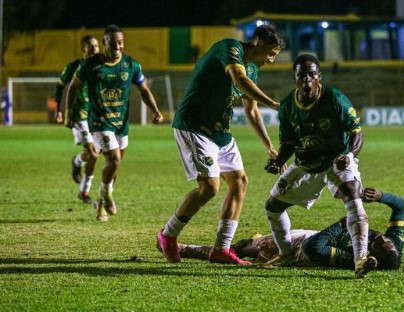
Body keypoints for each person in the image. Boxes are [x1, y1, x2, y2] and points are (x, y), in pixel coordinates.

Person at [156, 24, 286, 265]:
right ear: (258, 43)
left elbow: (252, 111)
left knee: (239, 182)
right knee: (209, 187)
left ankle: (221, 249)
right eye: (270, 53)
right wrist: (275, 104)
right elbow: (238, 78)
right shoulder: (229, 48)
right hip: (194, 126)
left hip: (220, 132)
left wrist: (269, 146)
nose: (271, 60)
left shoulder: (252, 69)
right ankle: (167, 235)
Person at [262, 54, 372, 278]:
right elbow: (288, 143)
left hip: (336, 160)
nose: (307, 78)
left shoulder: (334, 98)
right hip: (306, 164)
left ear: (319, 76)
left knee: (352, 193)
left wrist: (349, 156)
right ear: (294, 77)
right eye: (301, 74)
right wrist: (278, 161)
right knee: (272, 206)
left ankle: (360, 258)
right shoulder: (286, 106)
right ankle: (287, 254)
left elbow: (356, 133)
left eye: (311, 73)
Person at [64, 25, 164, 222]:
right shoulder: (91, 65)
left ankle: (101, 202)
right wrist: (67, 113)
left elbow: (143, 89)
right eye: (112, 43)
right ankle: (106, 197)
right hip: (99, 122)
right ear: (104, 43)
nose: (117, 46)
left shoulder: (131, 64)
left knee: (114, 167)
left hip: (121, 124)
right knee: (114, 160)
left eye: (120, 42)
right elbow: (73, 87)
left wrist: (156, 111)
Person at [175, 188, 404, 272]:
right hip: (307, 234)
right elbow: (400, 205)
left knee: (245, 248)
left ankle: (186, 250)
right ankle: (192, 249)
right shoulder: (394, 245)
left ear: (371, 253)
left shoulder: (352, 257)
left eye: (380, 243)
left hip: (299, 251)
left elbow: (314, 248)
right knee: (248, 245)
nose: (383, 238)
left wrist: (343, 223)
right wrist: (381, 197)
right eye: (387, 240)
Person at [54, 34, 100, 204]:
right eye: (90, 46)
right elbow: (60, 86)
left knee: (93, 153)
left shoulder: (100, 66)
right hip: (78, 114)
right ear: (84, 49)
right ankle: (84, 192)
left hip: (95, 116)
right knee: (94, 155)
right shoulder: (74, 66)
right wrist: (60, 110)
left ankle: (77, 160)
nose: (94, 48)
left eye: (96, 45)